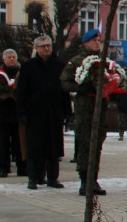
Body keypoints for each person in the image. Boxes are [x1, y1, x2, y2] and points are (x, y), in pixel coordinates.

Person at [60, 29, 110, 196]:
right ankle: (84, 181)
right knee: (84, 145)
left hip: (100, 109)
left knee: (97, 145)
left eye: (98, 40)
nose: (97, 43)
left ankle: (93, 180)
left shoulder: (104, 61)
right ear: (85, 43)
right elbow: (65, 83)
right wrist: (82, 87)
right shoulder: (77, 62)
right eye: (94, 40)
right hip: (84, 109)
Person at [14, 35, 67, 190]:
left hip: (54, 113)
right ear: (36, 48)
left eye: (48, 45)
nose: (46, 48)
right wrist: (21, 113)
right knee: (34, 148)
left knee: (54, 148)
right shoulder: (28, 66)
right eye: (43, 46)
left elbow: (64, 91)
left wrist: (66, 111)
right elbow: (21, 92)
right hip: (34, 113)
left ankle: (52, 178)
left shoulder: (59, 65)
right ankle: (33, 177)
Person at [0, 49, 22, 177]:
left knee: (19, 142)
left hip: (18, 113)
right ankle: (4, 168)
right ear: (4, 60)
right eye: (9, 57)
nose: (12, 59)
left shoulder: (21, 72)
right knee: (3, 143)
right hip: (3, 112)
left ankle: (22, 167)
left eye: (13, 57)